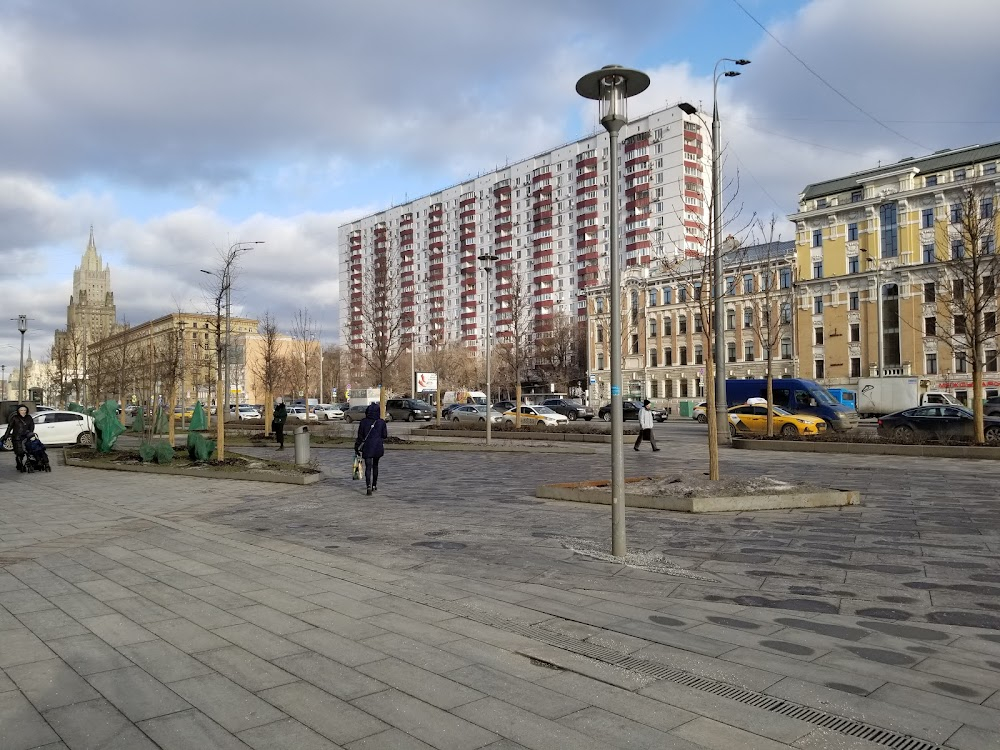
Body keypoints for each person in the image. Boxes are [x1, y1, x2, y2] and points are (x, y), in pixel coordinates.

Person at [354, 402, 388, 496]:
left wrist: (357, 447)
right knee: (375, 466)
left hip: (367, 447)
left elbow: (360, 436)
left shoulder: (363, 422)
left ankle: (368, 486)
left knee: (368, 467)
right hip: (377, 447)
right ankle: (374, 485)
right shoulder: (381, 422)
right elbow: (384, 435)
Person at [2, 404, 35, 472]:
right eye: (21, 410)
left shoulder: (29, 417)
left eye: (24, 410)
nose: (23, 411)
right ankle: (20, 465)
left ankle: (26, 464)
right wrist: (6, 436)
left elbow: (32, 426)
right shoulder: (14, 418)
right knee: (19, 452)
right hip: (17, 438)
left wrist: (30, 434)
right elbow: (9, 428)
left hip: (26, 437)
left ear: (26, 411)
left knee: (27, 452)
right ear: (18, 411)